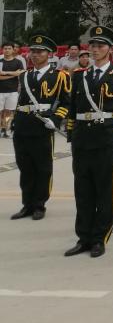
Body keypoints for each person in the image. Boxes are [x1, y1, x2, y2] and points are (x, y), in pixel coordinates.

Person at [64, 26, 113, 258]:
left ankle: (99, 238)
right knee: (82, 189)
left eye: (100, 46)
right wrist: (71, 134)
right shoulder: (79, 75)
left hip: (105, 138)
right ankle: (83, 236)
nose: (95, 50)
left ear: (110, 49)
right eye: (92, 45)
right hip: (82, 138)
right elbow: (73, 108)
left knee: (103, 190)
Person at [10, 34, 70, 221]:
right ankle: (27, 204)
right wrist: (14, 121)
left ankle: (39, 204)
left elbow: (67, 102)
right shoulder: (25, 75)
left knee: (43, 168)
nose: (35, 55)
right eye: (33, 51)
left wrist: (56, 119)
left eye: (40, 52)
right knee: (25, 167)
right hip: (22, 125)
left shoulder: (59, 76)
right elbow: (22, 100)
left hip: (42, 126)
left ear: (49, 54)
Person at [1, 41, 27, 138]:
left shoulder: (18, 62)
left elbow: (21, 73)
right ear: (2, 50)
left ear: (13, 50)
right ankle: (1, 127)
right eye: (5, 48)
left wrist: (4, 73)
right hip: (0, 91)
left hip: (12, 91)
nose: (7, 50)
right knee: (1, 111)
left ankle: (6, 129)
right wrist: (13, 74)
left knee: (8, 112)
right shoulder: (0, 61)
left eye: (9, 48)